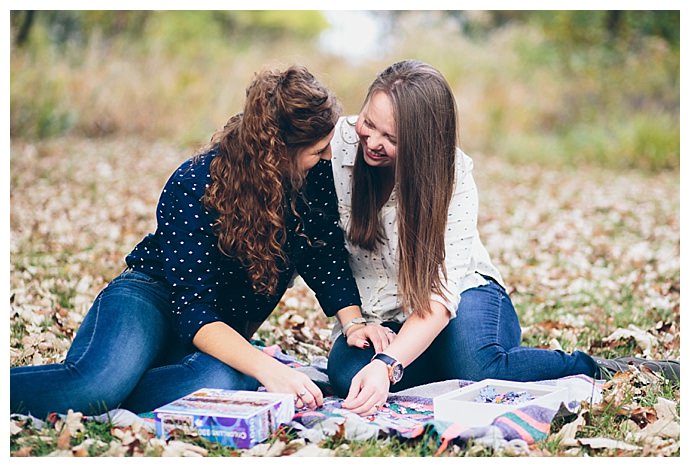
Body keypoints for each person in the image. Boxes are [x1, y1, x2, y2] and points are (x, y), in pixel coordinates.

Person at [10, 65, 385, 420]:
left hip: (219, 330)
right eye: (318, 150)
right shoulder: (194, 183)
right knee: (93, 384)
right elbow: (193, 310)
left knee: (227, 381)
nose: (329, 156)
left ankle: (122, 387)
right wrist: (267, 366)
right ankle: (109, 386)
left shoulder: (311, 177)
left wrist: (353, 324)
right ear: (277, 152)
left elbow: (323, 254)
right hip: (153, 297)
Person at [325, 60, 680, 416]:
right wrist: (357, 326)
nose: (371, 141)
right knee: (347, 373)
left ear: (422, 144)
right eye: (368, 123)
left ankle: (601, 368)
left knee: (477, 369)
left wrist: (387, 362)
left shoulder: (453, 177)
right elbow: (316, 247)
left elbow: (439, 297)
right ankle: (433, 356)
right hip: (381, 314)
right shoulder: (335, 144)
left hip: (463, 296)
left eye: (392, 139)